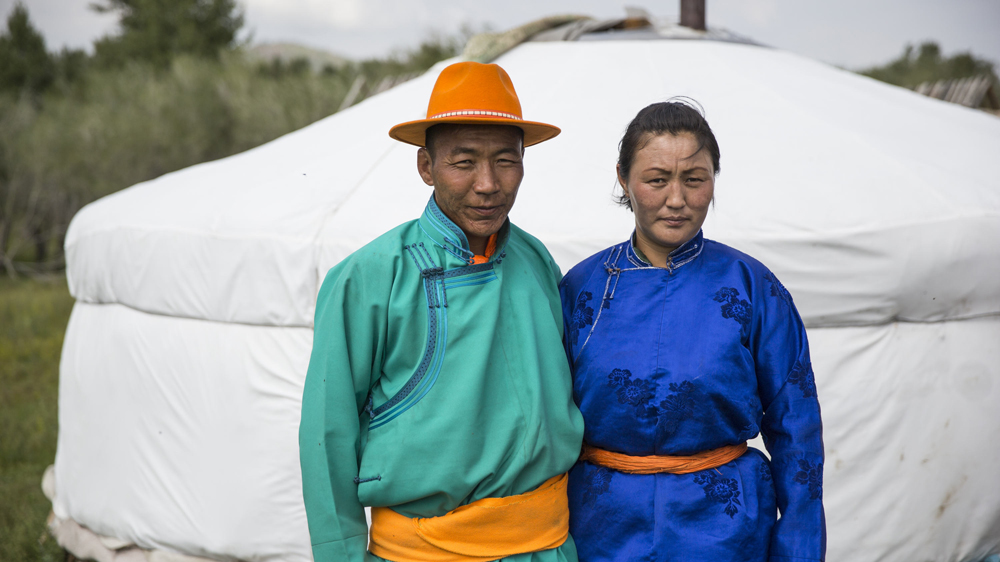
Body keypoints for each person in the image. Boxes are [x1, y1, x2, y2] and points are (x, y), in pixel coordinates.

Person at [299, 61, 585, 562]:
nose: (488, 183)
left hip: (547, 549)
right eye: (463, 162)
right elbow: (327, 435)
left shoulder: (536, 260)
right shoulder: (370, 276)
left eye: (506, 160)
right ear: (425, 166)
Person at [559, 100, 826, 562]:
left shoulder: (751, 286)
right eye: (657, 179)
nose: (677, 199)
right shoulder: (582, 288)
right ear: (624, 179)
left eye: (694, 179)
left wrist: (799, 544)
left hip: (725, 527)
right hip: (601, 526)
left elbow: (795, 425)